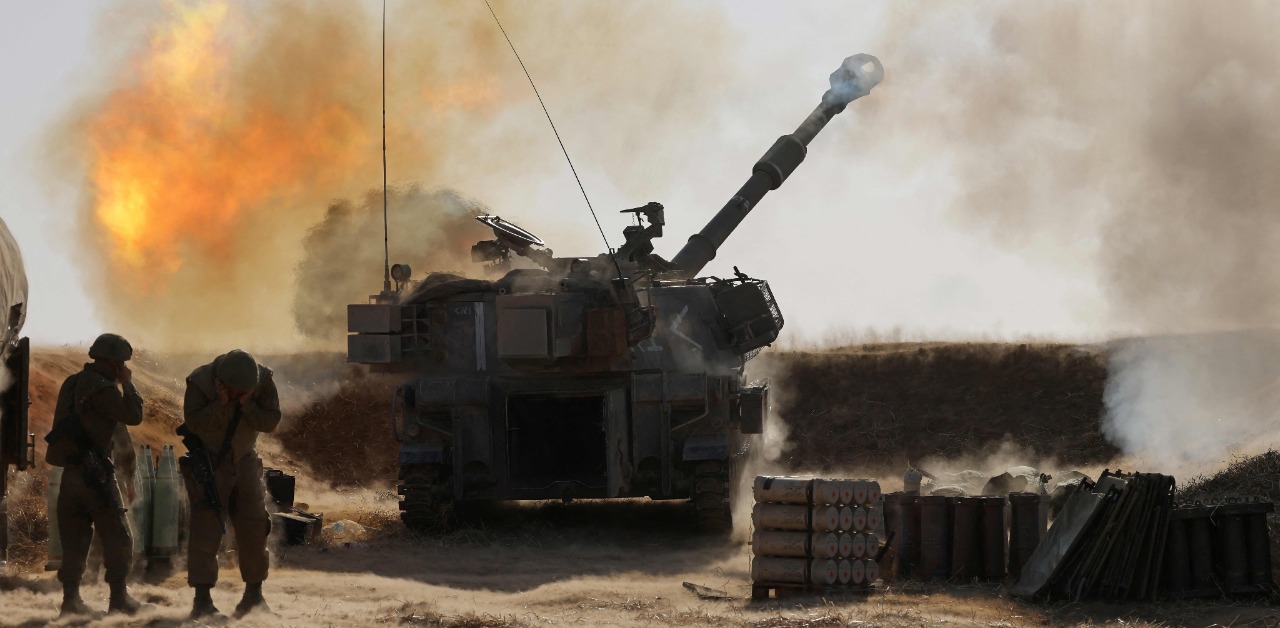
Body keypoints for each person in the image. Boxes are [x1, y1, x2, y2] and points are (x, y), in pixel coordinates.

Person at [44, 333, 144, 616]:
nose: (123, 368)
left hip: (71, 475)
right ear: (114, 363)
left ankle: (70, 602)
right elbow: (132, 417)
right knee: (120, 538)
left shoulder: (74, 383)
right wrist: (129, 384)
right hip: (96, 477)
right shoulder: (103, 388)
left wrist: (128, 474)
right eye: (121, 364)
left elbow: (112, 430)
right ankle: (118, 600)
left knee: (74, 539)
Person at [179, 349, 281, 618]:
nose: (237, 395)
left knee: (255, 526)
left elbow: (270, 421)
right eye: (233, 391)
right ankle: (202, 600)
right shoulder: (200, 384)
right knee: (206, 530)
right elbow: (196, 424)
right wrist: (220, 404)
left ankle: (254, 596)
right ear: (221, 382)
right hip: (211, 464)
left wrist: (248, 404)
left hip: (245, 461)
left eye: (242, 392)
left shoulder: (262, 381)